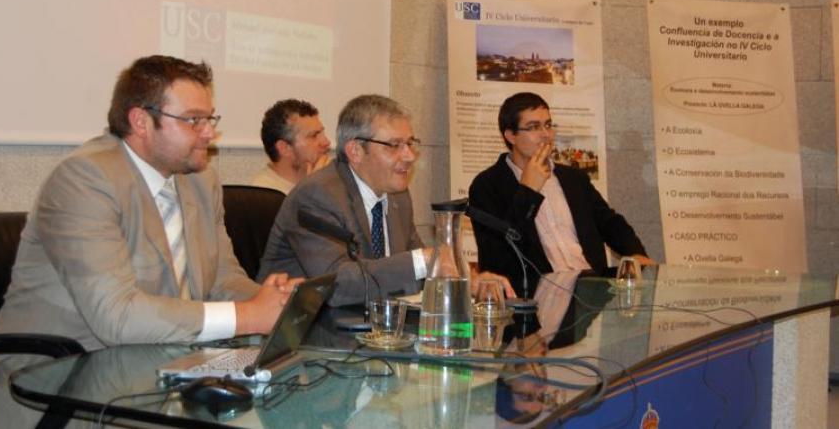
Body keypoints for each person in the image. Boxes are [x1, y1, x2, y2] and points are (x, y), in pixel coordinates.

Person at [0, 55, 298, 426]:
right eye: (194, 119)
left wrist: (277, 304)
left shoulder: (200, 179)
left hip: (160, 369)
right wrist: (247, 316)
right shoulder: (86, 179)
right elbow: (115, 316)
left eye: (209, 119)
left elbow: (220, 279)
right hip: (64, 385)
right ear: (141, 121)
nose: (209, 133)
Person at [257, 94, 514, 306]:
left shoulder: (398, 195)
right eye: (394, 145)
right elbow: (337, 286)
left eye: (410, 143)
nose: (410, 156)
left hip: (371, 333)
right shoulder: (316, 195)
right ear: (356, 151)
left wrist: (470, 281)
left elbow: (413, 272)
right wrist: (424, 260)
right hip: (307, 336)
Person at [468, 92, 652, 299]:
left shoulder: (573, 178)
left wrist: (635, 254)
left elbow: (610, 222)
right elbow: (498, 254)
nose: (546, 134)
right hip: (536, 296)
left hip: (591, 289)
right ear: (510, 135)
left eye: (548, 125)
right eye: (534, 127)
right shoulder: (487, 185)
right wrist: (528, 191)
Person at [251, 99, 331, 194]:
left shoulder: (334, 179)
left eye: (322, 133)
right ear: (284, 148)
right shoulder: (265, 195)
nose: (326, 142)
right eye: (313, 136)